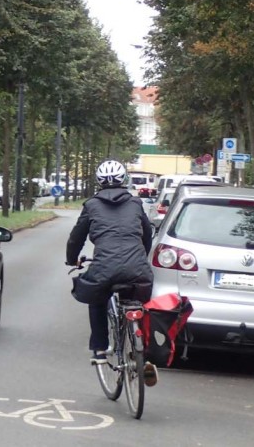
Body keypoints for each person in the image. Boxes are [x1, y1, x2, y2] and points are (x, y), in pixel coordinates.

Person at [66, 159, 158, 386]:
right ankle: (143, 350)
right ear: (124, 180)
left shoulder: (91, 205)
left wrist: (72, 260)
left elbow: (76, 237)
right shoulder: (136, 204)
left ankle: (99, 348)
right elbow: (147, 236)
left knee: (96, 298)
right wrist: (140, 258)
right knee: (140, 304)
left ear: (98, 181)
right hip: (138, 269)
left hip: (104, 268)